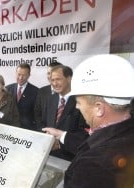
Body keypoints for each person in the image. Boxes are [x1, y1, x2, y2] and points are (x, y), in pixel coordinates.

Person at [46, 54, 134, 188]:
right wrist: (62, 135)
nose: (76, 106)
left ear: (99, 108)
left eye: (79, 103)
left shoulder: (93, 164)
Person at [40, 65, 89, 161]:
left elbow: (84, 133)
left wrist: (60, 144)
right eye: (52, 80)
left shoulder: (81, 101)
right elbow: (43, 123)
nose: (54, 83)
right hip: (48, 156)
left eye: (58, 79)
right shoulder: (50, 99)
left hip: (71, 158)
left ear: (69, 79)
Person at [6, 63, 38, 130]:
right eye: (19, 74)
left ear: (29, 75)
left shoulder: (36, 91)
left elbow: (37, 115)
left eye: (24, 75)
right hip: (9, 128)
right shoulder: (7, 89)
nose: (20, 78)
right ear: (15, 73)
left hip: (27, 130)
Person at [34, 62, 62, 130]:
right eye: (48, 73)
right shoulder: (41, 91)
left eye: (53, 73)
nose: (50, 76)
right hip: (45, 133)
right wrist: (43, 130)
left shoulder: (67, 93)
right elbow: (37, 113)